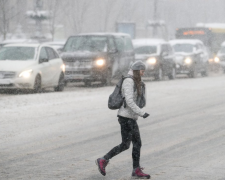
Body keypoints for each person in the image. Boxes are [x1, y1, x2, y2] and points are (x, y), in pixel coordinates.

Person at [96, 61, 150, 179]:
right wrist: (142, 113)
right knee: (132, 144)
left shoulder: (136, 81)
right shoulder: (128, 81)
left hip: (130, 118)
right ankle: (104, 160)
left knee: (128, 144)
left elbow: (138, 100)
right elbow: (129, 101)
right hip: (126, 118)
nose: (143, 73)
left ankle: (134, 169)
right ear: (136, 71)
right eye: (142, 71)